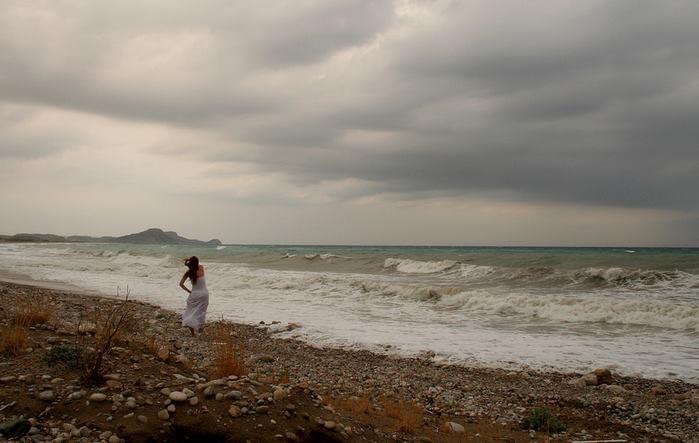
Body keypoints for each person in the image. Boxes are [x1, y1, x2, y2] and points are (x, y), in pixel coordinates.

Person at [179, 256, 209, 336]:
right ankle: (200, 329)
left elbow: (181, 284)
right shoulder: (201, 268)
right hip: (204, 294)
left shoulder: (189, 272)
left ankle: (192, 334)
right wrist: (188, 263)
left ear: (190, 263)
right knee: (201, 312)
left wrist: (189, 291)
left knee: (190, 312)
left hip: (194, 295)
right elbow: (195, 266)